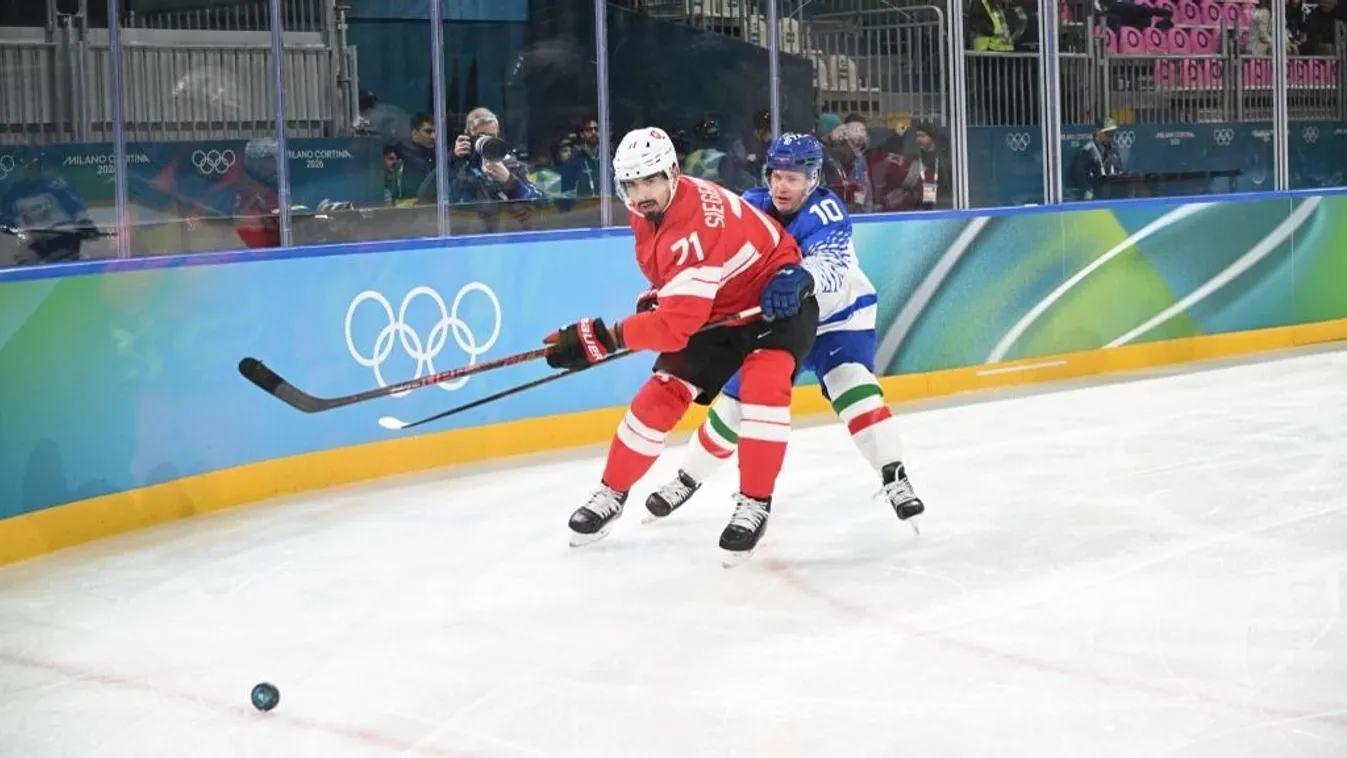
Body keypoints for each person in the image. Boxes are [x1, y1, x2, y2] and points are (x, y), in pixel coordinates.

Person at [542, 126, 819, 563]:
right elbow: (673, 284)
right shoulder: (645, 209)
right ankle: (611, 493)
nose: (641, 192)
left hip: (774, 304)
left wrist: (605, 337)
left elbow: (673, 328)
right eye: (631, 184)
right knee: (662, 394)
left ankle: (754, 503)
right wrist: (663, 293)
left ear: (672, 173)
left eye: (650, 180)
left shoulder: (693, 227)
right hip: (718, 309)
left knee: (764, 388)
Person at [645, 133, 925, 531]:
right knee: (736, 404)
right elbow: (714, 260)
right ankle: (686, 479)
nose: (782, 185)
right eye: (776, 175)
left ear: (812, 180)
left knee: (853, 386)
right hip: (780, 325)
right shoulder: (750, 207)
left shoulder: (827, 211)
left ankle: (894, 476)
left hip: (836, 320)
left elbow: (832, 267)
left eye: (793, 178)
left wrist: (800, 277)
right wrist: (671, 294)